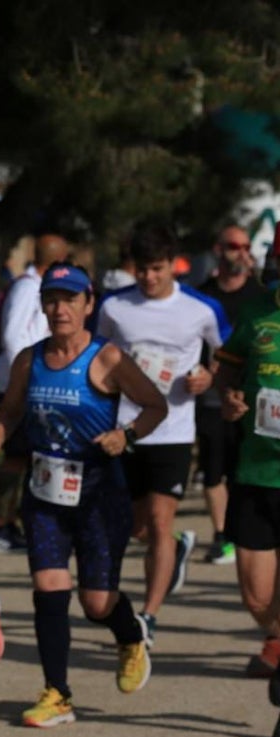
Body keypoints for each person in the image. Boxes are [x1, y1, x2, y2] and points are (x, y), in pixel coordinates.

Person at [0, 263, 166, 727]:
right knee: (48, 588)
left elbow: (155, 405)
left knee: (97, 603)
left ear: (88, 304)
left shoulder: (107, 359)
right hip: (45, 495)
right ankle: (57, 694)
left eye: (69, 299)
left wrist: (126, 436)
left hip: (100, 496)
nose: (59, 308)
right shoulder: (31, 358)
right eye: (51, 299)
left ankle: (130, 635)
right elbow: (10, 410)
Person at [96, 224, 230, 646]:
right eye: (141, 270)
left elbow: (228, 353)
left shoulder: (201, 308)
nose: (149, 278)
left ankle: (148, 617)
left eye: (157, 269)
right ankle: (177, 547)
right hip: (126, 428)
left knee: (157, 521)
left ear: (174, 265)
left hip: (173, 429)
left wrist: (208, 376)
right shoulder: (115, 307)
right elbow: (96, 356)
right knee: (136, 527)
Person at [0, 233, 70, 555]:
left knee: (26, 457)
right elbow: (13, 336)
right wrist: (33, 374)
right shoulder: (27, 288)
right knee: (15, 458)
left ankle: (14, 523)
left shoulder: (37, 287)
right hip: (18, 383)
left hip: (33, 382)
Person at [214, 283, 280, 679]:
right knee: (256, 597)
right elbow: (224, 371)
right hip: (255, 472)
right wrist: (228, 398)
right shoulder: (255, 313)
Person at [196, 225, 263, 567]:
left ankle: (241, 531)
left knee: (243, 468)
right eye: (234, 246)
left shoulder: (259, 295)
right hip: (212, 397)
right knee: (212, 471)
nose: (241, 252)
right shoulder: (202, 295)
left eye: (246, 246)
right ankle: (222, 535)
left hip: (256, 402)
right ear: (218, 249)